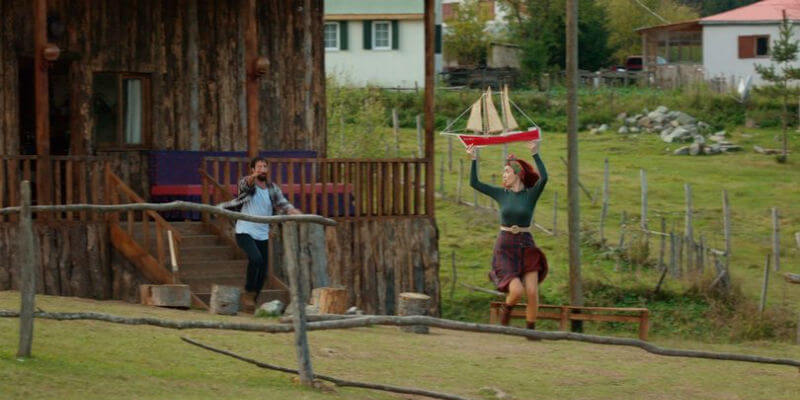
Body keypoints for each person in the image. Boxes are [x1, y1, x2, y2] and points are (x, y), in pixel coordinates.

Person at [467, 140, 549, 335]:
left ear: (518, 174)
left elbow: (544, 178)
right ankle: (507, 312)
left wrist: (535, 153)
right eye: (503, 172)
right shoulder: (500, 194)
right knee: (517, 291)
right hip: (505, 247)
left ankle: (531, 331)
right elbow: (474, 183)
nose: (503, 176)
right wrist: (473, 158)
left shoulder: (530, 195)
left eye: (507, 172)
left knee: (531, 291)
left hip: (526, 244)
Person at [219, 156, 302, 312]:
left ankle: (252, 300)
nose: (263, 169)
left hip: (262, 233)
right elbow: (246, 186)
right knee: (256, 259)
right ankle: (248, 291)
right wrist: (254, 176)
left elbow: (282, 203)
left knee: (263, 272)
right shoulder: (246, 182)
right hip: (245, 230)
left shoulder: (272, 188)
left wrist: (293, 211)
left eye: (265, 167)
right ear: (252, 169)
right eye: (259, 167)